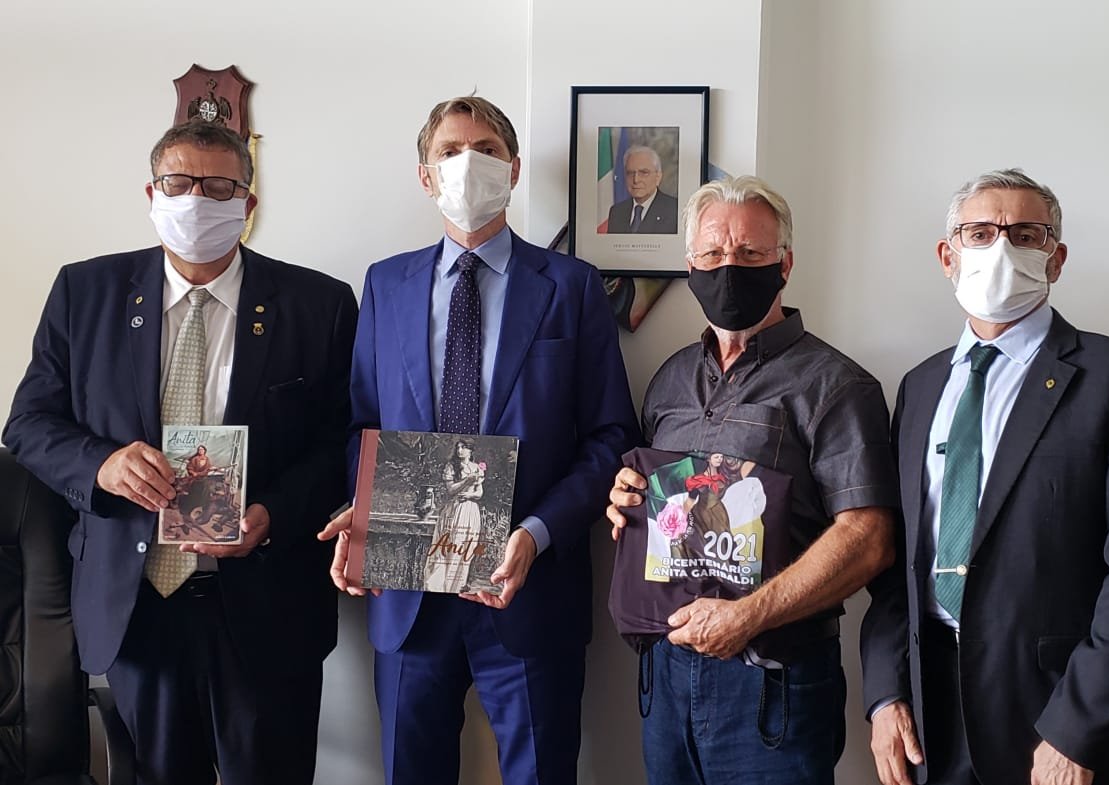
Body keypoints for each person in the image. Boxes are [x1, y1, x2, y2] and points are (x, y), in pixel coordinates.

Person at [3, 120, 357, 785]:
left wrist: (275, 513)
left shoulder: (320, 304)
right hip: (137, 607)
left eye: (219, 187)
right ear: (151, 193)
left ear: (248, 203)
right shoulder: (85, 293)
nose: (197, 199)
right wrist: (102, 464)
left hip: (267, 606)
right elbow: (27, 424)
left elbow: (343, 440)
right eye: (179, 182)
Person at [320, 95, 638, 785]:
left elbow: (611, 436)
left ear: (513, 168)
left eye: (487, 150)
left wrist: (536, 532)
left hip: (530, 586)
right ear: (426, 176)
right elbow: (362, 424)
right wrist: (365, 509)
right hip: (407, 591)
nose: (469, 163)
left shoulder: (573, 286)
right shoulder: (385, 284)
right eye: (450, 151)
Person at [860, 169, 1109, 785]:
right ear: (947, 256)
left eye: (1025, 234)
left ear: (1056, 259)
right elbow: (895, 564)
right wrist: (885, 694)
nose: (1001, 248)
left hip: (1059, 713)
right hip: (931, 714)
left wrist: (1075, 731)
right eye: (979, 233)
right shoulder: (920, 386)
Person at [606, 175, 899, 785]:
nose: (729, 268)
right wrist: (625, 500)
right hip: (666, 670)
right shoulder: (669, 379)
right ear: (691, 266)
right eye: (712, 254)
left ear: (784, 264)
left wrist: (749, 616)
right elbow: (656, 502)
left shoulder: (837, 385)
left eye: (749, 253)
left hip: (773, 678)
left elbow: (868, 539)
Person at [423, 439, 484, 592]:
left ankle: (456, 586)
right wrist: (467, 481)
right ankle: (440, 586)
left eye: (463, 447)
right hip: (455, 509)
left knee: (465, 547)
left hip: (470, 511)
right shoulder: (451, 467)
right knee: (450, 546)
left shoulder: (476, 468)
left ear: (470, 450)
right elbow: (451, 490)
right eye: (458, 447)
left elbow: (479, 492)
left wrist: (470, 495)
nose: (459, 450)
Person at [606, 144, 679, 233]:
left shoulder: (674, 210)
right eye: (630, 173)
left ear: (658, 177)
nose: (636, 180)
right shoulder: (616, 212)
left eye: (644, 173)